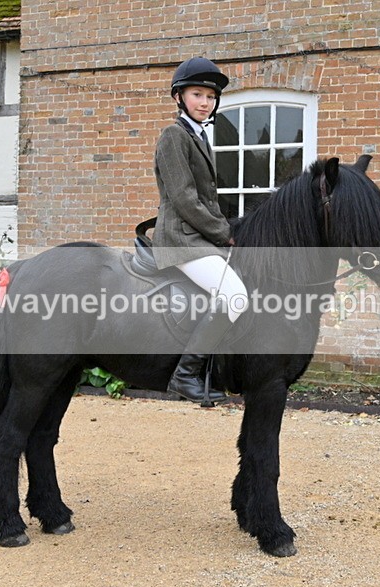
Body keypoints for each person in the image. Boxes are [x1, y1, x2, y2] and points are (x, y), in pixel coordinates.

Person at [152, 57, 248, 404]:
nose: (205, 102)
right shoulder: (173, 136)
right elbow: (184, 199)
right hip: (180, 239)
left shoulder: (199, 138)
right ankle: (184, 376)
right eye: (197, 94)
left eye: (210, 96)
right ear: (179, 97)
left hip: (199, 237)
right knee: (235, 296)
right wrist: (225, 232)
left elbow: (207, 198)